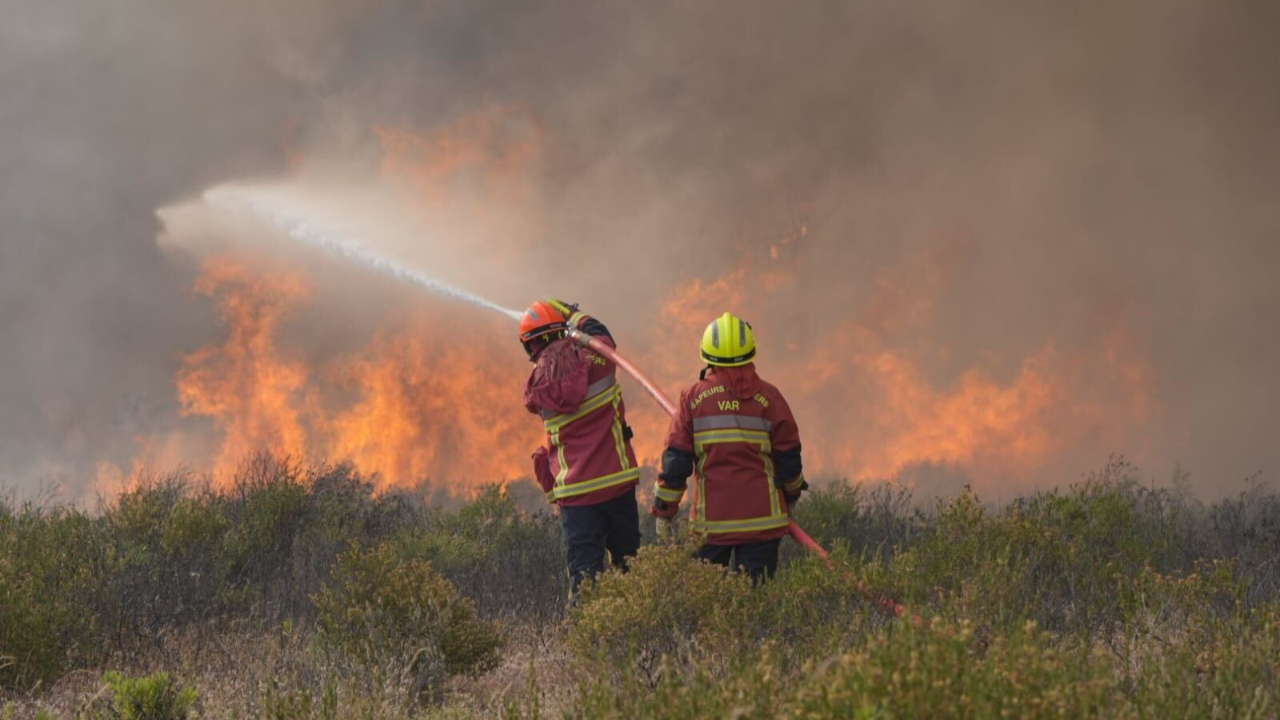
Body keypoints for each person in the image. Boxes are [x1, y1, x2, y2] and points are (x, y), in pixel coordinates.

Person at [650, 312, 807, 583]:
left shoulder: (693, 398)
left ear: (707, 356)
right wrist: (791, 499)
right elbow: (789, 457)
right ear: (751, 352)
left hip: (711, 527)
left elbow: (676, 462)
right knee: (757, 607)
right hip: (763, 524)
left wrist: (665, 511)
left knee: (709, 608)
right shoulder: (770, 398)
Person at [521, 298, 641, 596]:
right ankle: (639, 630)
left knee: (585, 576)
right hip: (617, 483)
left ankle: (586, 638)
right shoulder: (600, 359)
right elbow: (600, 333)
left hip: (577, 495)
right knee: (630, 567)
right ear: (561, 330)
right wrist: (573, 314)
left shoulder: (536, 386)